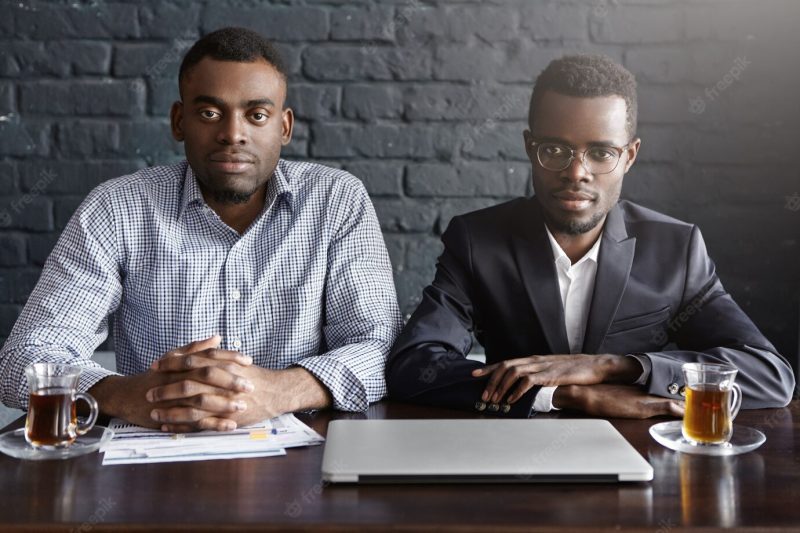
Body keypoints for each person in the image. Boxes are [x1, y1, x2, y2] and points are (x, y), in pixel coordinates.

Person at [0, 27, 402, 432]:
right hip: (153, 456)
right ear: (179, 121)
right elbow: (25, 357)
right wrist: (125, 395)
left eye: (256, 115)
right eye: (210, 113)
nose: (232, 133)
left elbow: (381, 346)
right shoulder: (117, 208)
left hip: (300, 461)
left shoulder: (337, 201)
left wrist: (279, 390)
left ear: (284, 127)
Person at [387, 54, 795, 418]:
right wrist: (567, 396)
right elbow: (413, 366)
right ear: (530, 148)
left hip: (644, 464)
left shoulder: (675, 249)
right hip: (516, 464)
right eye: (554, 150)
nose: (576, 172)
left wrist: (614, 367)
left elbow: (770, 375)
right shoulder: (479, 241)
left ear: (629, 156)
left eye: (600, 153)